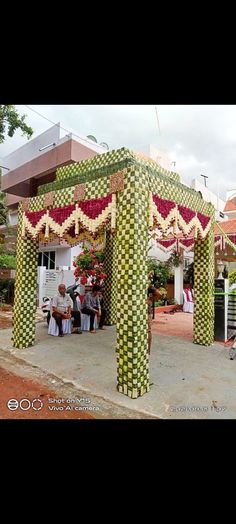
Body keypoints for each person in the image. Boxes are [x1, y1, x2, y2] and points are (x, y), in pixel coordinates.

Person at [147, 285, 161, 354]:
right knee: (148, 331)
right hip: (147, 315)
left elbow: (159, 294)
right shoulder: (149, 299)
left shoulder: (149, 299)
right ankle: (148, 350)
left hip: (147, 316)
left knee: (148, 331)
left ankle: (148, 350)